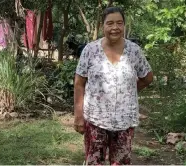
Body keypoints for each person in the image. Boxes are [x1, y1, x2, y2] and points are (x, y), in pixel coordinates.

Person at [74, 7, 153, 165]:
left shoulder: (134, 51)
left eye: (119, 23)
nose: (115, 27)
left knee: (121, 163)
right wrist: (78, 116)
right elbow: (79, 83)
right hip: (95, 119)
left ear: (124, 25)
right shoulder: (90, 50)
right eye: (110, 23)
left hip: (125, 121)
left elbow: (147, 77)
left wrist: (128, 91)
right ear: (102, 26)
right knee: (94, 162)